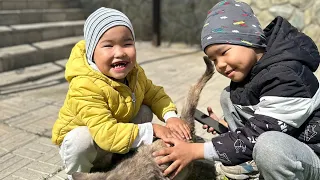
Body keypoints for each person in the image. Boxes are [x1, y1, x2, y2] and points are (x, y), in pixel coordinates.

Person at [153, 0, 320, 179]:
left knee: (269, 147)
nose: (220, 65)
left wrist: (195, 150)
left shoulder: (286, 76)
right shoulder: (255, 70)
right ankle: (249, 161)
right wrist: (226, 127)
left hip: (310, 155)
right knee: (228, 96)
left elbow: (257, 136)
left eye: (224, 52)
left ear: (251, 39)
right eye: (214, 60)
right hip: (283, 139)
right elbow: (262, 120)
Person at [51, 7, 191, 178]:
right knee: (80, 139)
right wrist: (152, 129)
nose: (120, 52)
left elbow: (154, 93)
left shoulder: (134, 73)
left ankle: (120, 160)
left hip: (113, 138)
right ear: (91, 53)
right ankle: (77, 174)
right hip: (92, 144)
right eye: (108, 45)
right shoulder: (85, 85)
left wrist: (171, 116)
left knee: (144, 110)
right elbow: (106, 133)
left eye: (127, 43)